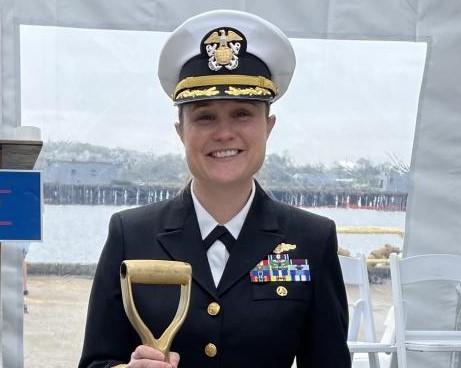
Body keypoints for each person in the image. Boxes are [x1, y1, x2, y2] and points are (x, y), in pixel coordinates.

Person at [79, 9, 350, 368]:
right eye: (204, 116)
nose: (224, 133)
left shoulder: (311, 240)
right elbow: (95, 361)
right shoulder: (131, 235)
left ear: (268, 126)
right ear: (181, 131)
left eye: (242, 113)